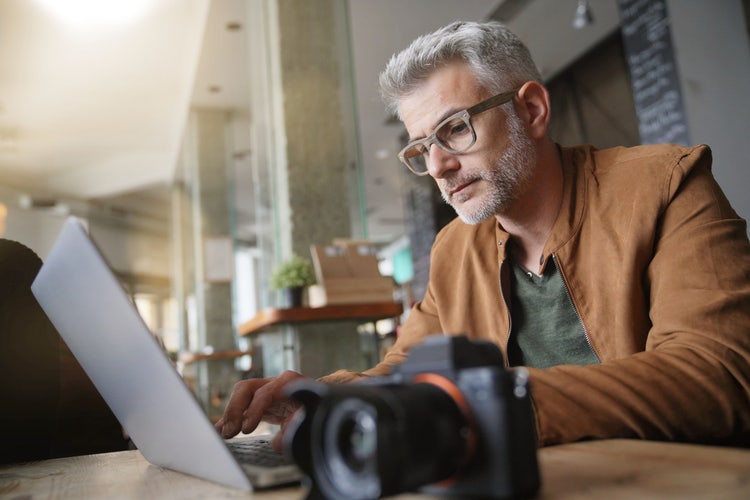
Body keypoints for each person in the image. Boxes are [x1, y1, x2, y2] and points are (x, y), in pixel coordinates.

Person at [217, 20, 750, 450]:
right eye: (422, 148)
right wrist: (322, 397)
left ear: (532, 110)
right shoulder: (455, 248)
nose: (441, 166)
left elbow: (715, 375)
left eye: (455, 128)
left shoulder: (667, 184)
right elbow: (404, 367)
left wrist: (493, 403)